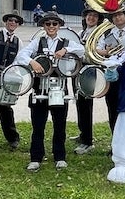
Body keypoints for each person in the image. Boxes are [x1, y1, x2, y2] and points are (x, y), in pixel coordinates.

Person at [15, 11, 85, 172]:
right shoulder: (37, 41)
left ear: (59, 26)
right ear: (44, 26)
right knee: (38, 124)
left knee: (60, 124)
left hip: (59, 87)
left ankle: (60, 156)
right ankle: (35, 158)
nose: (51, 26)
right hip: (40, 86)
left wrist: (66, 50)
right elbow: (21, 55)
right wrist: (32, 62)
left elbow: (82, 51)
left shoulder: (67, 42)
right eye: (48, 24)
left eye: (54, 24)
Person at [0, 10, 24, 148]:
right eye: (10, 20)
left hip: (5, 77)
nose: (12, 23)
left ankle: (12, 138)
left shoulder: (18, 41)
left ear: (18, 25)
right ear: (6, 22)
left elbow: (18, 61)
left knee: (5, 108)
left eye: (15, 21)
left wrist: (11, 74)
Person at [95, 7, 125, 133]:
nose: (117, 17)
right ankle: (116, 142)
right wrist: (105, 52)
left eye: (120, 14)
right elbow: (96, 49)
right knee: (113, 107)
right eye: (114, 16)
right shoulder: (107, 33)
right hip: (113, 74)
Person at [73, 6, 103, 154]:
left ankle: (87, 141)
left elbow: (101, 51)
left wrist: (88, 51)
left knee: (86, 105)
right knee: (79, 103)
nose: (91, 18)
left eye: (94, 16)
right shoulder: (82, 32)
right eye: (89, 15)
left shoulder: (99, 33)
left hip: (89, 69)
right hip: (78, 69)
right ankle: (82, 134)